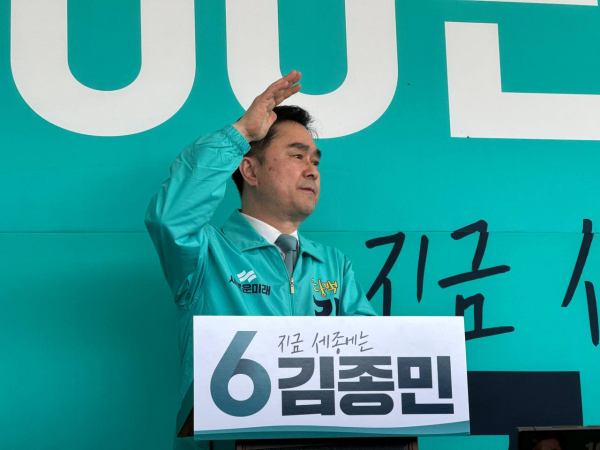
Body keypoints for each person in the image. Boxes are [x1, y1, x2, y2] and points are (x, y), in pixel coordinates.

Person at [145, 70, 377, 447]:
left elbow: (373, 357)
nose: (312, 170)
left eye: (315, 161)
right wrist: (240, 134)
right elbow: (170, 217)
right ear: (250, 170)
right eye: (297, 156)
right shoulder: (206, 253)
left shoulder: (334, 264)